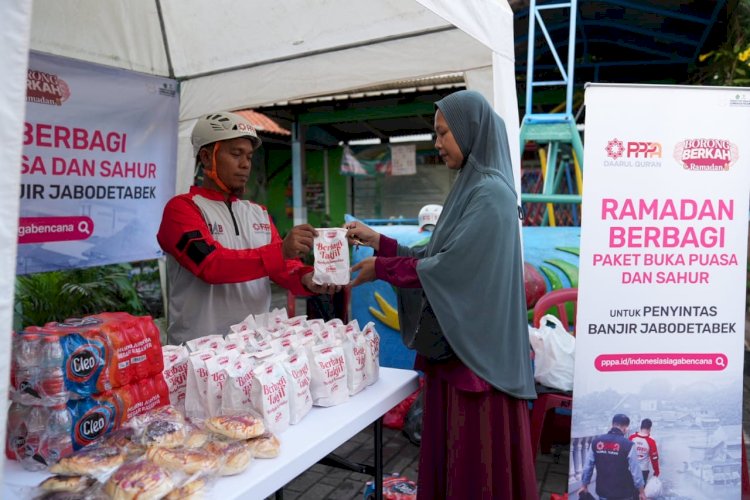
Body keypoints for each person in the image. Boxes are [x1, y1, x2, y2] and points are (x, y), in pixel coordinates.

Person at [346, 90, 538, 499]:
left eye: (443, 133)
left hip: (478, 359)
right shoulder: (472, 187)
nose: (437, 144)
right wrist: (379, 242)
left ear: (470, 131)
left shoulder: (491, 194)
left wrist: (380, 268)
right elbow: (435, 252)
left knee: (476, 463)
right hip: (462, 347)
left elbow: (450, 268)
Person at [157, 111, 339, 344]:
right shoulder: (181, 209)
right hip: (199, 354)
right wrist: (281, 251)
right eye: (236, 154)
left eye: (250, 157)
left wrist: (308, 278)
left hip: (256, 349)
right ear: (205, 157)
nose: (245, 164)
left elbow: (283, 267)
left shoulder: (258, 212)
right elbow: (211, 265)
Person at [580, 414, 646, 500]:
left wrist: (584, 486)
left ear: (612, 425)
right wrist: (641, 492)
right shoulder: (628, 445)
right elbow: (636, 471)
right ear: (626, 429)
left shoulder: (596, 442)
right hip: (623, 492)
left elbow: (587, 467)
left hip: (603, 491)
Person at [629, 418, 660, 484]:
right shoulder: (651, 441)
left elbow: (626, 453)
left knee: (629, 490)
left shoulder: (632, 437)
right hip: (643, 470)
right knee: (641, 491)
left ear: (640, 427)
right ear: (650, 428)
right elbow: (654, 458)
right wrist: (656, 472)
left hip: (631, 469)